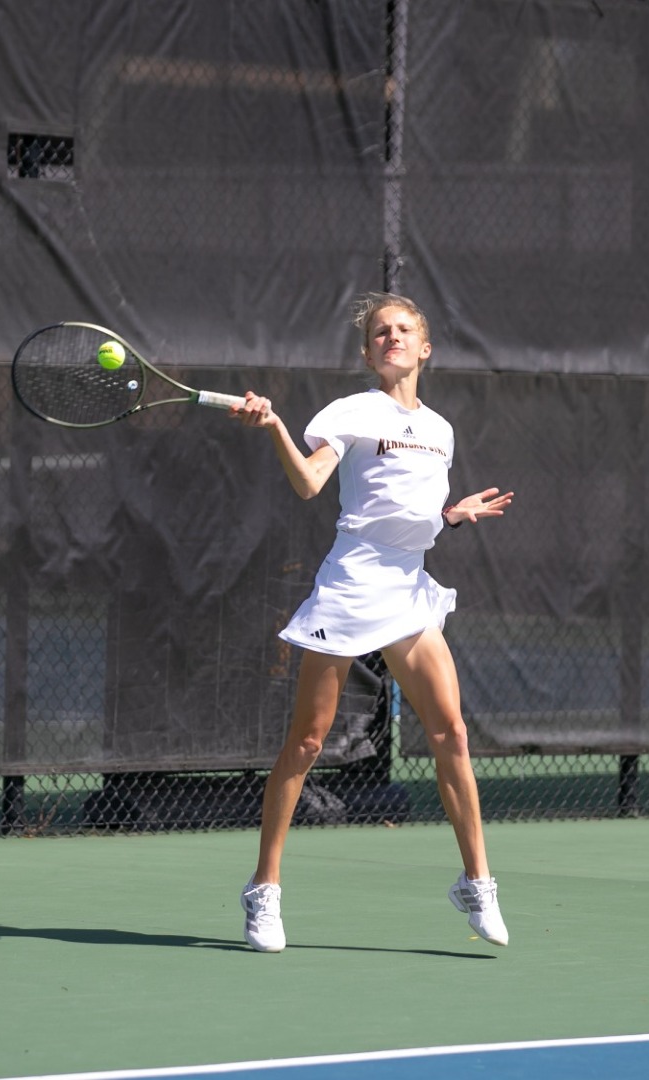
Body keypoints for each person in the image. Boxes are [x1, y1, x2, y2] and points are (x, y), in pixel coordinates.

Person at [228, 291, 514, 953]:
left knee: (451, 734)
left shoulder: (440, 430)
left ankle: (477, 882)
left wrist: (449, 517)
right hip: (352, 588)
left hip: (409, 589)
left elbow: (405, 513)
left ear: (424, 346)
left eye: (403, 330)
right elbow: (308, 484)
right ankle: (263, 890)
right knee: (306, 743)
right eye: (380, 332)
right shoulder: (352, 412)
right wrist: (272, 426)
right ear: (368, 352)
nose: (391, 338)